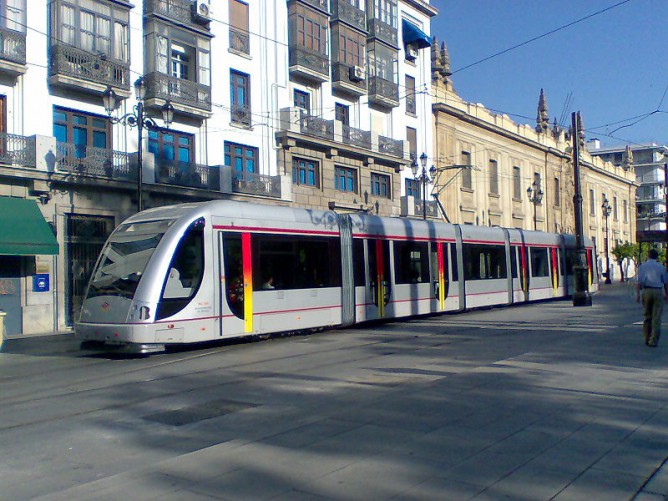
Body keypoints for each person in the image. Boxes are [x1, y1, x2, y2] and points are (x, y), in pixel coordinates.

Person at [635, 248, 668, 347]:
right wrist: (666, 294)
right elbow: (665, 282)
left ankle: (646, 337)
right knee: (656, 317)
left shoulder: (642, 267)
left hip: (646, 291)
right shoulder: (661, 267)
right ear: (657, 256)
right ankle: (653, 340)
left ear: (648, 255)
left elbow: (639, 282)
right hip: (658, 291)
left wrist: (637, 294)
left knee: (647, 316)